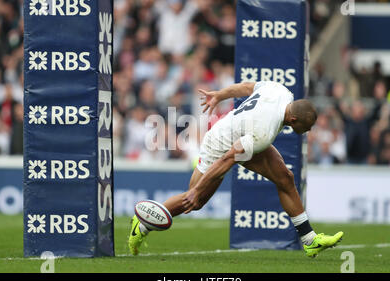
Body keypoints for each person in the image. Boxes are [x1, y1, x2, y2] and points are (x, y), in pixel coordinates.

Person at [128, 81, 344, 258]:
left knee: (285, 178)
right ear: (293, 119)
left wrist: (220, 95)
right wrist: (198, 189)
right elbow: (228, 158)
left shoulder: (281, 91)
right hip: (221, 142)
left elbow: (248, 86)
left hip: (243, 135)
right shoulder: (264, 132)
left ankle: (309, 240)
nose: (308, 131)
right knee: (194, 199)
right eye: (307, 127)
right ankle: (143, 223)